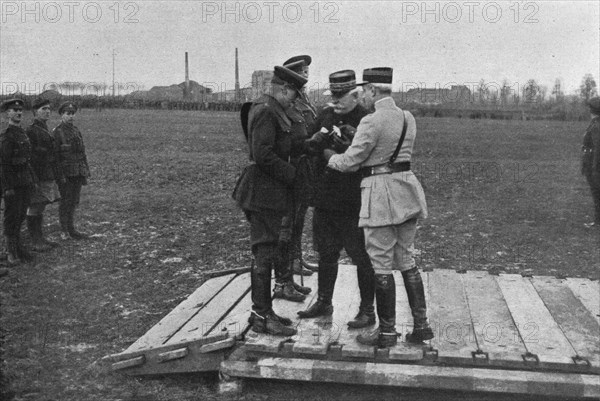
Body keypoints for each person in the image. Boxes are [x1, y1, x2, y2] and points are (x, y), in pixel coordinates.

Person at [325, 67, 433, 347]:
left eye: (365, 91)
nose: (363, 95)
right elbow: (388, 150)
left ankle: (386, 331)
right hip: (407, 192)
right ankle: (421, 326)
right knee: (407, 259)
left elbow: (351, 161)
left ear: (372, 90)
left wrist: (328, 155)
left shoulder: (371, 120)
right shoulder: (408, 118)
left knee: (381, 264)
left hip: (380, 197)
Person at [233, 65, 311, 336]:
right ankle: (261, 314)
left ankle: (264, 312)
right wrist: (294, 176)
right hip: (262, 193)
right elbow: (263, 154)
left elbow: (282, 145)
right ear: (284, 89)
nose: (295, 100)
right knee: (263, 253)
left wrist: (308, 145)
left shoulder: (275, 108)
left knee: (266, 251)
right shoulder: (266, 110)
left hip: (270, 192)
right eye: (293, 94)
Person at [297, 70, 376, 329]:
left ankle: (367, 310)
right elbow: (307, 146)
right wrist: (316, 143)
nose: (337, 101)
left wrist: (344, 146)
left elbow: (369, 157)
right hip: (326, 197)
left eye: (342, 96)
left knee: (360, 255)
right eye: (334, 95)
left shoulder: (367, 119)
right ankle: (324, 301)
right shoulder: (325, 115)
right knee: (326, 253)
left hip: (355, 200)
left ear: (356, 95)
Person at [283, 55, 318, 276]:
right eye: (303, 72)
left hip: (307, 166)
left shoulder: (304, 100)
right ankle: (290, 262)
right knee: (292, 217)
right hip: (294, 166)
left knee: (301, 214)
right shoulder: (289, 101)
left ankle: (297, 258)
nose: (306, 75)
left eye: (307, 71)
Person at [0, 99, 37, 265]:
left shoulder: (22, 133)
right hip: (13, 184)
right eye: (14, 110)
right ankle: (9, 252)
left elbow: (27, 159)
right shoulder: (6, 136)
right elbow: (4, 165)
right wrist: (7, 187)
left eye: (20, 110)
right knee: (11, 217)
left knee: (21, 214)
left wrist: (32, 180)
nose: (18, 112)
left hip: (25, 181)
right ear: (7, 113)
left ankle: (18, 248)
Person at [25, 98, 62, 251]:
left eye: (48, 109)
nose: (47, 111)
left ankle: (40, 237)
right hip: (37, 173)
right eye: (43, 109)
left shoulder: (44, 128)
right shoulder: (32, 130)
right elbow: (29, 155)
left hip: (47, 172)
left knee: (41, 205)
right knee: (35, 205)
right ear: (35, 112)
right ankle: (35, 240)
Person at [53, 101, 91, 240]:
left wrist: (85, 169)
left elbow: (82, 152)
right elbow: (55, 157)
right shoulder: (57, 132)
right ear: (61, 115)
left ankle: (71, 228)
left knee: (74, 200)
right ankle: (64, 230)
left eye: (72, 113)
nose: (71, 116)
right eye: (67, 113)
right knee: (65, 201)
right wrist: (59, 175)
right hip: (65, 173)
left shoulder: (76, 131)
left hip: (78, 171)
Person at [582, 96, 600, 227]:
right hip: (592, 162)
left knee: (596, 192)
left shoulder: (596, 125)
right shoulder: (595, 123)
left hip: (594, 163)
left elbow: (598, 147)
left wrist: (594, 168)